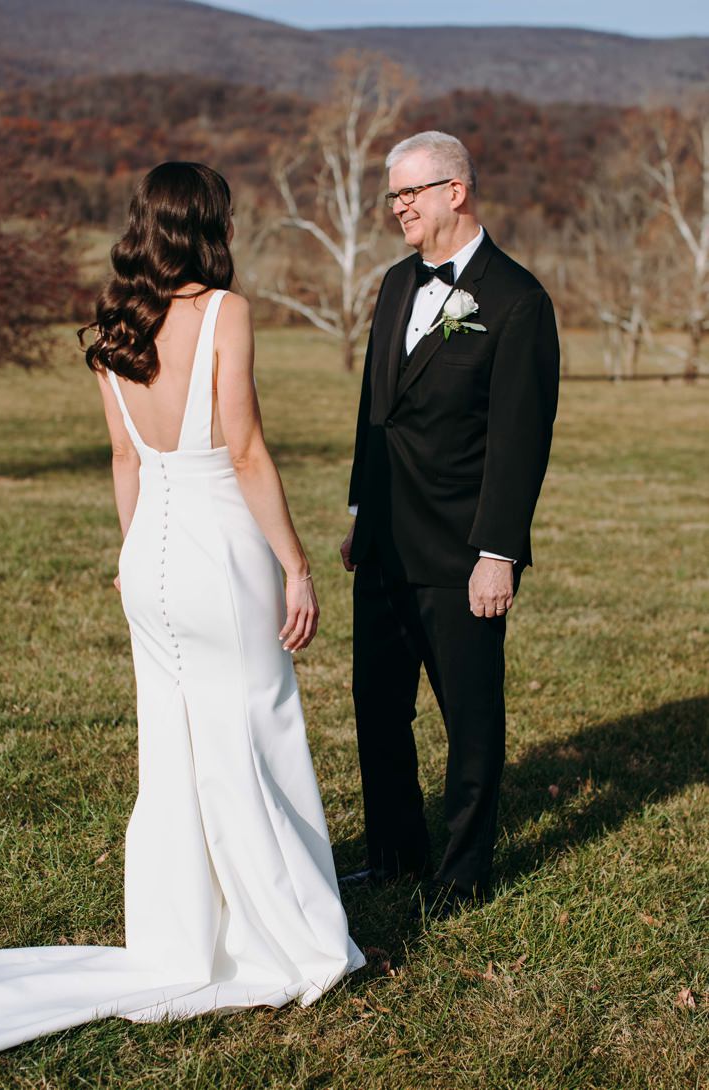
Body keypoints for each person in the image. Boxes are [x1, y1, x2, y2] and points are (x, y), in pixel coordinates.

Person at [0, 162, 363, 1055]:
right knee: (253, 738)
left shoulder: (115, 329)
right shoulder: (223, 313)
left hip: (148, 553)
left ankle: (182, 933)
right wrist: (296, 564)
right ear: (208, 225)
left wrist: (126, 558)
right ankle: (291, 936)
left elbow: (125, 462)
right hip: (221, 550)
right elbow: (248, 452)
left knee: (176, 748)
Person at [339, 131, 559, 920]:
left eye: (410, 193)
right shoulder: (397, 284)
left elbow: (520, 441)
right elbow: (376, 410)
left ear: (455, 192)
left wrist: (498, 552)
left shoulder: (517, 300)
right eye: (392, 195)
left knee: (469, 718)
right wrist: (362, 510)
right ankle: (395, 855)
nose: (398, 207)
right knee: (377, 705)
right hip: (386, 541)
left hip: (465, 552)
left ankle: (462, 876)